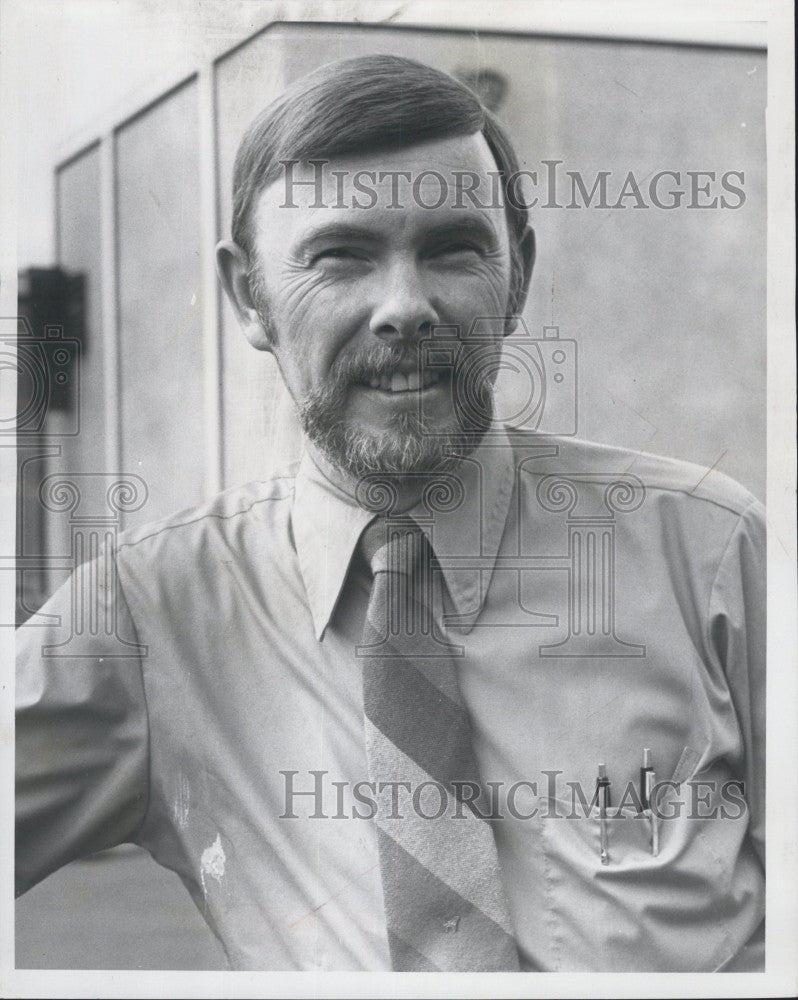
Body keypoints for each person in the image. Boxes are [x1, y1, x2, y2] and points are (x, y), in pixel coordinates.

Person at [16, 54, 765, 973]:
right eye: (341, 256)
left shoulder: (712, 553)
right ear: (249, 296)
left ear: (517, 275)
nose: (405, 307)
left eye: (453, 248)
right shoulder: (150, 615)